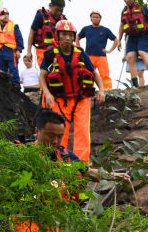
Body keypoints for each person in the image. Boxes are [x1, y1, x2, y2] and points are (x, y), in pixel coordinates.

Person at [39, 20, 105, 163]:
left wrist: (102, 90)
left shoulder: (80, 53)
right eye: (64, 34)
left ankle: (82, 167)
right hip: (60, 100)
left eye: (70, 35)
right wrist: (48, 94)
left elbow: (94, 73)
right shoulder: (51, 54)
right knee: (59, 134)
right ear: (58, 36)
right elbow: (42, 76)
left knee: (82, 133)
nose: (67, 38)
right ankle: (59, 164)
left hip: (81, 99)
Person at [115, 0, 148, 87]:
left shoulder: (143, 8)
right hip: (131, 36)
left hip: (143, 35)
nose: (126, 0)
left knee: (142, 52)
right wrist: (119, 40)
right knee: (130, 57)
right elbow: (122, 26)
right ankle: (135, 84)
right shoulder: (124, 11)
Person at [78, 11, 117, 90]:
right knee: (88, 74)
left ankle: (107, 90)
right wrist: (79, 49)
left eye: (97, 17)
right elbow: (77, 37)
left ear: (100, 19)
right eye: (94, 17)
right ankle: (87, 90)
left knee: (105, 75)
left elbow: (116, 40)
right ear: (91, 18)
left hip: (101, 57)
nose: (95, 18)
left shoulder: (105, 30)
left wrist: (110, 50)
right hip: (88, 57)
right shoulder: (86, 29)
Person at [27, 0, 67, 67]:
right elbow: (31, 33)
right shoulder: (40, 16)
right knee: (45, 73)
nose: (59, 13)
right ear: (50, 6)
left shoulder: (63, 19)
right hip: (43, 51)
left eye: (61, 10)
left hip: (58, 52)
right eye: (57, 10)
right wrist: (29, 51)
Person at [0, 8, 23, 85]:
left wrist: (18, 50)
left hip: (11, 51)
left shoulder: (13, 25)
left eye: (7, 14)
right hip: (0, 51)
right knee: (2, 71)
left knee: (13, 70)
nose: (6, 16)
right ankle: (4, 87)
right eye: (4, 14)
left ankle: (16, 86)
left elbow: (19, 38)